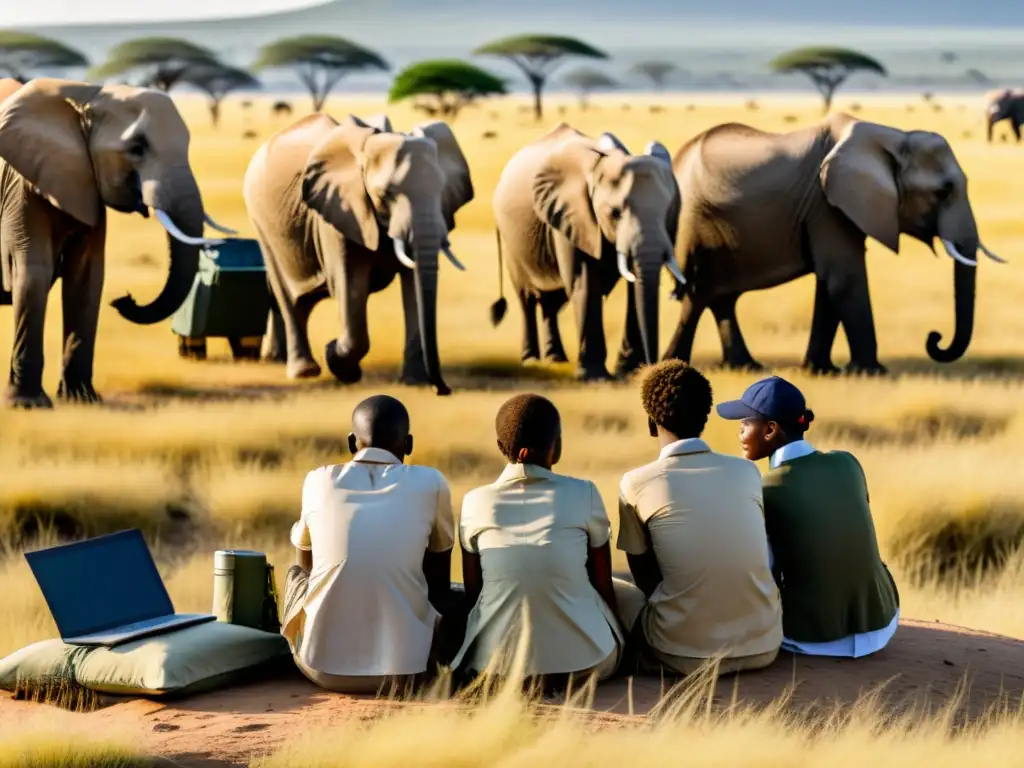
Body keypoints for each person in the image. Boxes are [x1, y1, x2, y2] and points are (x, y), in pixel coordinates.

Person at [281, 394, 461, 694]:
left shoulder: (318, 480)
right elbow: (438, 581)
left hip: (322, 669)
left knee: (295, 575)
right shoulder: (431, 482)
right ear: (409, 444)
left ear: (353, 443)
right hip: (407, 672)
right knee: (452, 592)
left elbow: (306, 566)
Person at [452, 393, 632, 688]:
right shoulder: (584, 493)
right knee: (626, 592)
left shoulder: (475, 502)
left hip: (497, 667)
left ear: (500, 447)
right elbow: (601, 582)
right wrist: (623, 639)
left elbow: (475, 593)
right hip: (587, 663)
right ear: (557, 445)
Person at [617, 360, 782, 677]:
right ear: (705, 418)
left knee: (614, 587)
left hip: (681, 654)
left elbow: (644, 578)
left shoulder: (636, 483)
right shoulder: (746, 472)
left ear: (652, 423)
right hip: (763, 646)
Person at [717, 376, 900, 658]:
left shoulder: (765, 489)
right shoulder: (848, 462)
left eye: (745, 422)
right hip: (882, 622)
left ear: (770, 430)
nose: (740, 431)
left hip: (810, 636)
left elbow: (761, 572)